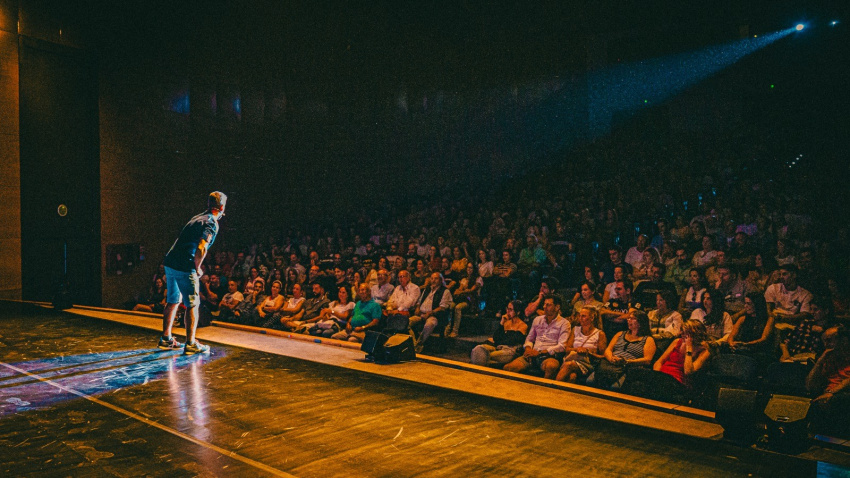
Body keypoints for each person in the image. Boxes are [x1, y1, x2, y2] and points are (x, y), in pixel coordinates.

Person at [159, 191, 226, 355]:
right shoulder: (212, 223)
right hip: (185, 264)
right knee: (192, 304)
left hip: (171, 261)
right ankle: (190, 343)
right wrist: (197, 268)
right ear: (222, 207)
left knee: (173, 300)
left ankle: (166, 339)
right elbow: (202, 247)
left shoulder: (198, 217)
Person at [503, 294, 570, 379]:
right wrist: (528, 349)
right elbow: (529, 339)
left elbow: (562, 346)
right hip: (532, 354)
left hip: (548, 356)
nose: (544, 307)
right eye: (544, 304)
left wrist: (540, 353)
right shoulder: (537, 320)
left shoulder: (564, 323)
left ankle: (544, 390)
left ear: (557, 307)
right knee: (508, 368)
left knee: (551, 366)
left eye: (548, 305)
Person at [587, 311, 656, 389]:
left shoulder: (648, 339)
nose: (628, 320)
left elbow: (647, 359)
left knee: (615, 387)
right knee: (590, 381)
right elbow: (608, 349)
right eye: (629, 318)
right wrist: (611, 358)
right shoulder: (620, 334)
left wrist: (627, 361)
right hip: (611, 363)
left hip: (628, 367)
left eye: (633, 318)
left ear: (641, 322)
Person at [470, 300, 528, 367]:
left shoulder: (523, 326)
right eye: (507, 309)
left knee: (485, 356)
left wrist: (500, 339)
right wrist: (501, 323)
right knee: (478, 349)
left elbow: (511, 341)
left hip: (510, 350)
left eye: (510, 309)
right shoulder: (506, 322)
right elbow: (496, 337)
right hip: (498, 347)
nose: (507, 311)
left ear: (518, 312)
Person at [555, 307, 607, 383]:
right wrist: (577, 349)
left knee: (569, 365)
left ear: (592, 318)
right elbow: (567, 349)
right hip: (572, 359)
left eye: (583, 316)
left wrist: (589, 352)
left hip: (587, 363)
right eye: (580, 316)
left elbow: (603, 356)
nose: (580, 318)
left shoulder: (600, 334)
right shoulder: (575, 329)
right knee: (572, 377)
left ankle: (552, 388)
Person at [409, 272, 454, 353]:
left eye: (436, 279)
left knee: (429, 324)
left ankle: (419, 344)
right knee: (407, 322)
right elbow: (419, 301)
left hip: (434, 315)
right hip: (421, 314)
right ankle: (414, 343)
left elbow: (442, 307)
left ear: (440, 280)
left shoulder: (445, 291)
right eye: (432, 278)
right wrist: (418, 308)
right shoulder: (427, 289)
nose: (433, 281)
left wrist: (429, 313)